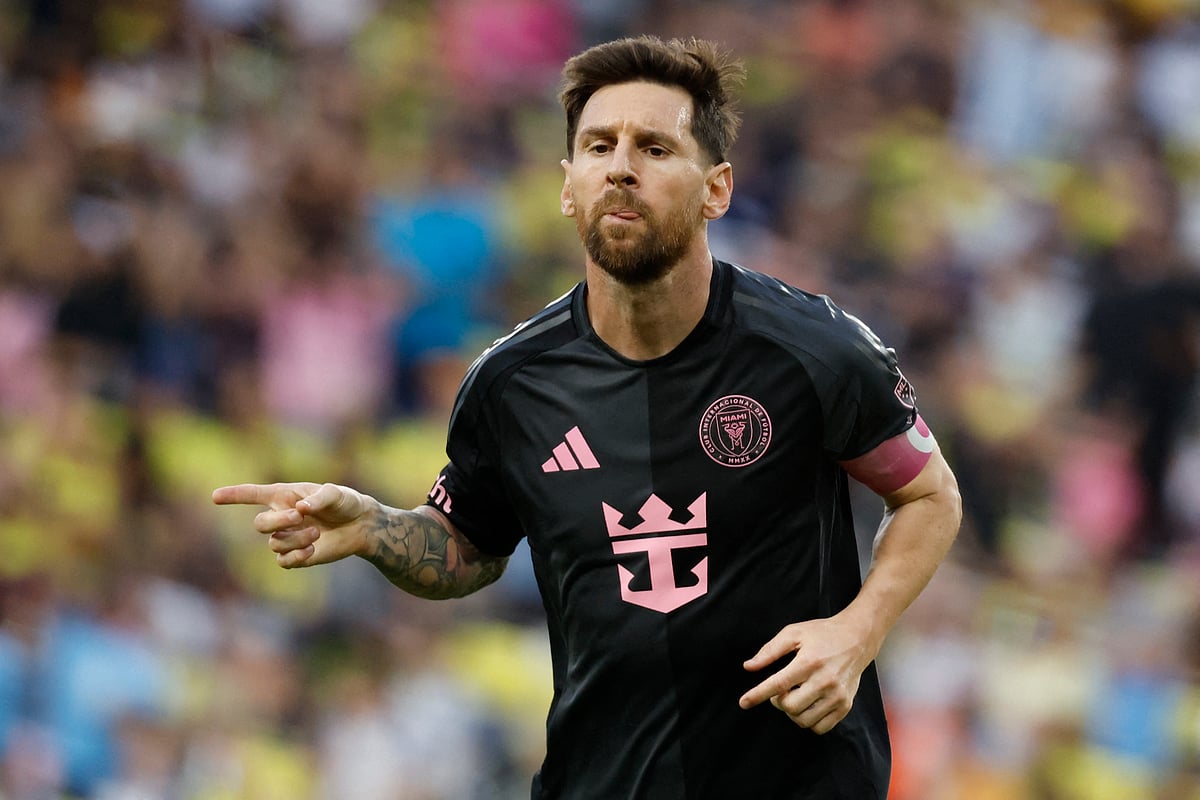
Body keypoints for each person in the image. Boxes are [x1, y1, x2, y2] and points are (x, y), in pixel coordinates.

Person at [213, 35, 962, 799]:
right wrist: (376, 529)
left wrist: (857, 632)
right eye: (598, 146)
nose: (622, 166)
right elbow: (467, 547)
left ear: (717, 188)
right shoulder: (511, 385)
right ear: (569, 185)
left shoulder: (815, 351)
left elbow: (929, 495)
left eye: (656, 147)